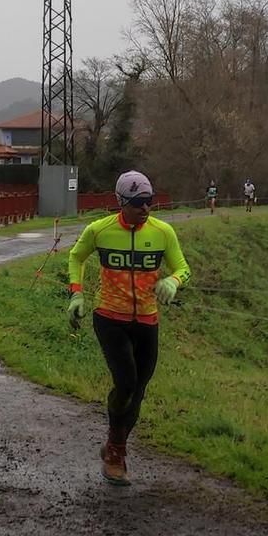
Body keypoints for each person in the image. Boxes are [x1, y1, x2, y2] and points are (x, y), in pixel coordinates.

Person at [65, 171, 189, 486]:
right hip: (110, 318)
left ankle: (114, 445)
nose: (145, 208)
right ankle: (117, 455)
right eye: (137, 203)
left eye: (149, 201)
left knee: (138, 392)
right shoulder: (99, 229)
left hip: (148, 321)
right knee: (126, 383)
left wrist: (173, 282)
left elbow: (183, 267)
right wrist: (76, 293)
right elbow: (76, 256)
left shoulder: (163, 232)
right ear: (121, 202)